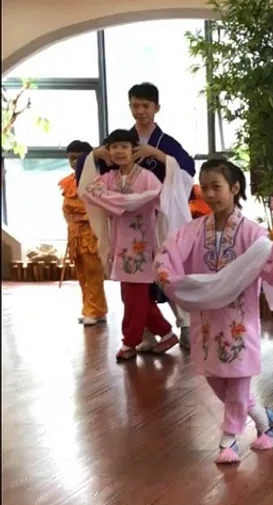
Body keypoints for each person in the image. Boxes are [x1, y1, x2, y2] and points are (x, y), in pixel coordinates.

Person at [154, 160, 273, 464]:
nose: (209, 194)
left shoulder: (253, 233)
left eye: (216, 187)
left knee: (237, 380)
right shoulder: (195, 230)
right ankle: (265, 420)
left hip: (239, 321)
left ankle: (228, 440)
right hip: (207, 321)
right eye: (205, 187)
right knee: (215, 378)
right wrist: (165, 271)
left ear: (234, 189)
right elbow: (169, 252)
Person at [76, 82, 197, 351]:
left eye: (146, 106)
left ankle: (185, 323)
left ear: (156, 108)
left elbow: (187, 172)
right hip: (126, 228)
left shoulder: (166, 143)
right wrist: (96, 154)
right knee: (132, 282)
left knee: (170, 271)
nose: (140, 111)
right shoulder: (122, 142)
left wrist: (159, 155)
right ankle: (147, 330)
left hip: (160, 218)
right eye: (135, 105)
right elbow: (93, 174)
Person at [61, 140, 107, 326]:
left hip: (90, 233)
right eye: (70, 158)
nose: (73, 162)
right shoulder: (71, 180)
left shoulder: (97, 179)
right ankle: (91, 309)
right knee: (81, 274)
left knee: (93, 273)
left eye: (77, 158)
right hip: (74, 234)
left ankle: (95, 310)